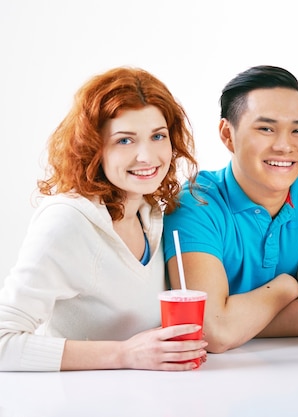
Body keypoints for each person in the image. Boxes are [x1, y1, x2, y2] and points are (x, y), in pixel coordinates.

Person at [0, 67, 206, 372]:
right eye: (125, 141)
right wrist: (124, 355)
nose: (147, 156)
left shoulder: (151, 214)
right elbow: (4, 342)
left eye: (158, 136)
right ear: (93, 147)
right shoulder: (68, 221)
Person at [163, 65, 298, 353]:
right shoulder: (195, 202)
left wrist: (233, 322)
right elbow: (211, 329)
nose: (284, 146)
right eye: (266, 129)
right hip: (211, 383)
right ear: (228, 134)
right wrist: (285, 288)